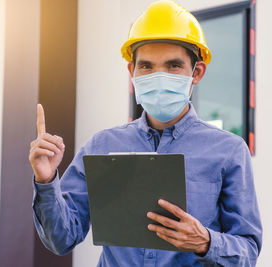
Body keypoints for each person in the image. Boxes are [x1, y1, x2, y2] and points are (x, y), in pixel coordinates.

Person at [29, 0, 262, 266]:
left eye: (173, 66)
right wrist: (46, 181)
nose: (158, 75)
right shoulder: (101, 146)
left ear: (196, 72)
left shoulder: (228, 150)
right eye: (147, 66)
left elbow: (248, 251)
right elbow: (61, 239)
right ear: (132, 71)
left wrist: (206, 242)